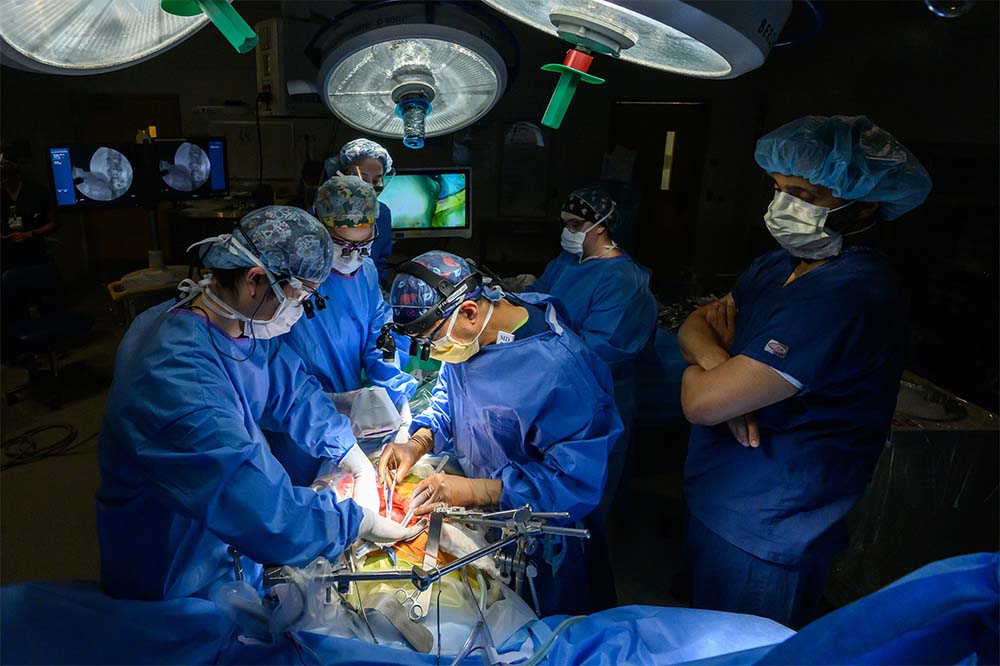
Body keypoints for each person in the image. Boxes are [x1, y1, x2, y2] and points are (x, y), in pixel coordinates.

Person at [678, 115, 932, 628]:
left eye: (804, 195)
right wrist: (717, 363)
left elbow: (701, 404)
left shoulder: (850, 294)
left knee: (746, 649)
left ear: (864, 204)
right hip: (720, 493)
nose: (782, 206)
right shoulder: (777, 265)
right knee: (696, 640)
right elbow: (693, 326)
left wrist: (712, 384)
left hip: (772, 522)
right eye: (777, 189)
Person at [97, 205, 421, 601]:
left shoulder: (233, 324)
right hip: (173, 565)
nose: (298, 312)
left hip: (227, 545)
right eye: (300, 298)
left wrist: (346, 449)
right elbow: (261, 510)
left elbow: (290, 390)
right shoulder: (177, 381)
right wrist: (353, 523)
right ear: (254, 280)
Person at [376, 251, 623, 615]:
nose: (436, 354)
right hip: (489, 524)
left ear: (469, 312)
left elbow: (574, 480)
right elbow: (451, 396)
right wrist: (418, 441)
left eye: (434, 343)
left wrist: (477, 491)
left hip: (540, 534)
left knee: (539, 628)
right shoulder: (470, 339)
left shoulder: (558, 370)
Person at [268, 176, 418, 485]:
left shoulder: (366, 273)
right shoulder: (294, 282)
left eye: (364, 246)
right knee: (301, 496)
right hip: (295, 430)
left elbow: (380, 337)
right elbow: (276, 375)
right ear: (318, 232)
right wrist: (333, 402)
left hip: (348, 425)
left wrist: (393, 394)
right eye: (343, 246)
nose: (354, 256)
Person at [527, 186, 657, 519]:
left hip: (599, 397)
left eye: (575, 225)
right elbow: (534, 300)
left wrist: (537, 351)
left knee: (589, 493)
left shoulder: (624, 280)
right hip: (558, 388)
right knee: (552, 486)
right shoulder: (567, 262)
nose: (567, 232)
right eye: (565, 224)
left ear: (600, 226)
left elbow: (598, 350)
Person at [325, 139, 396, 287]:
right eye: (362, 178)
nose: (369, 187)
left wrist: (379, 289)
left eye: (376, 181)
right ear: (340, 175)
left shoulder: (382, 214)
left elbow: (379, 261)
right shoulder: (324, 210)